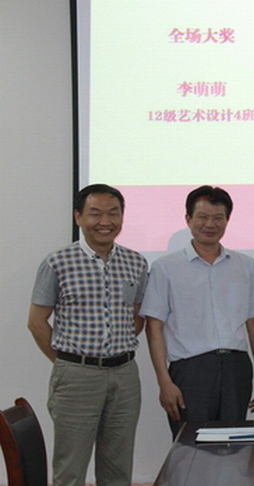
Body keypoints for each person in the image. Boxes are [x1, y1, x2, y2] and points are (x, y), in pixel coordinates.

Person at [27, 184, 149, 486]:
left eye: (113, 213)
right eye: (95, 213)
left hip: (125, 375)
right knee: (70, 468)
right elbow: (37, 322)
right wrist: (67, 362)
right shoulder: (58, 262)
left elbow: (136, 316)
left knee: (118, 469)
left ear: (122, 217)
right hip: (76, 377)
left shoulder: (136, 262)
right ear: (78, 217)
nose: (105, 221)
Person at [140, 185, 254, 439]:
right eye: (202, 217)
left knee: (234, 445)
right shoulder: (165, 267)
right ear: (188, 219)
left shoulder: (245, 266)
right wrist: (164, 381)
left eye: (218, 218)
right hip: (190, 371)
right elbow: (154, 328)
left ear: (227, 220)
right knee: (190, 447)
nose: (210, 224)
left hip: (236, 368)